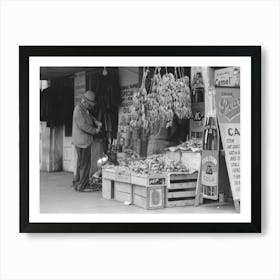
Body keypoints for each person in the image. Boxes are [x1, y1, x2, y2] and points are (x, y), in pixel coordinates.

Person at [72, 90, 102, 192]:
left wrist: (95, 121)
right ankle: (82, 186)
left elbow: (89, 116)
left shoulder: (84, 108)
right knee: (85, 164)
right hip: (82, 142)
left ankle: (78, 183)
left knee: (81, 163)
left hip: (83, 141)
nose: (90, 106)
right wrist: (95, 131)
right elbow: (83, 125)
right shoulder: (78, 110)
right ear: (85, 101)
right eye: (89, 104)